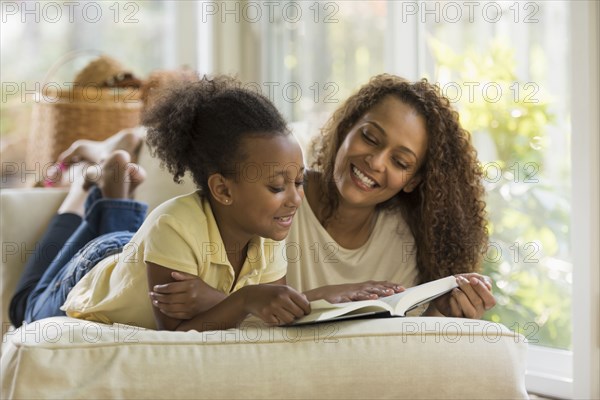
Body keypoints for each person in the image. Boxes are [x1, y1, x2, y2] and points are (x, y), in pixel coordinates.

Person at [152, 74, 495, 320]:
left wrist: (441, 313)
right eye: (370, 138)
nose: (375, 162)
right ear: (346, 129)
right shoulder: (273, 201)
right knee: (112, 243)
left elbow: (394, 350)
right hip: (132, 260)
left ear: (414, 179)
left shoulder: (404, 241)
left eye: (400, 161)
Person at [8, 75, 310, 331]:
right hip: (99, 269)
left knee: (129, 248)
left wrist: (228, 300)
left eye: (299, 182)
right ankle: (85, 187)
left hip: (137, 255)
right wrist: (244, 300)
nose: (295, 199)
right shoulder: (172, 223)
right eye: (278, 187)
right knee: (23, 310)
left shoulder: (268, 231)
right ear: (223, 190)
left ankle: (111, 189)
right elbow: (176, 332)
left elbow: (271, 310)